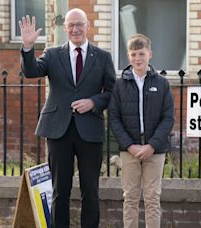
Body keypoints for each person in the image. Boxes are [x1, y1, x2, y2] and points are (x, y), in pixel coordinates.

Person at [19, 8, 116, 228]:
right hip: (58, 130)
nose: (75, 29)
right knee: (59, 190)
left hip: (90, 130)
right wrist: (27, 47)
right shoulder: (53, 54)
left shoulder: (102, 57)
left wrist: (93, 102)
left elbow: (112, 93)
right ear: (65, 29)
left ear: (87, 26)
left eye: (79, 24)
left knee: (90, 190)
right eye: (71, 25)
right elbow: (32, 71)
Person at [108, 34, 174, 228]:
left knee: (153, 198)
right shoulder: (120, 85)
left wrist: (152, 145)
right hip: (129, 151)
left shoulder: (161, 83)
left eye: (142, 54)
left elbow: (168, 117)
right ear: (128, 56)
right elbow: (114, 118)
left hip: (155, 151)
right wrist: (130, 145)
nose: (138, 58)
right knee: (130, 198)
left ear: (150, 54)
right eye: (134, 54)